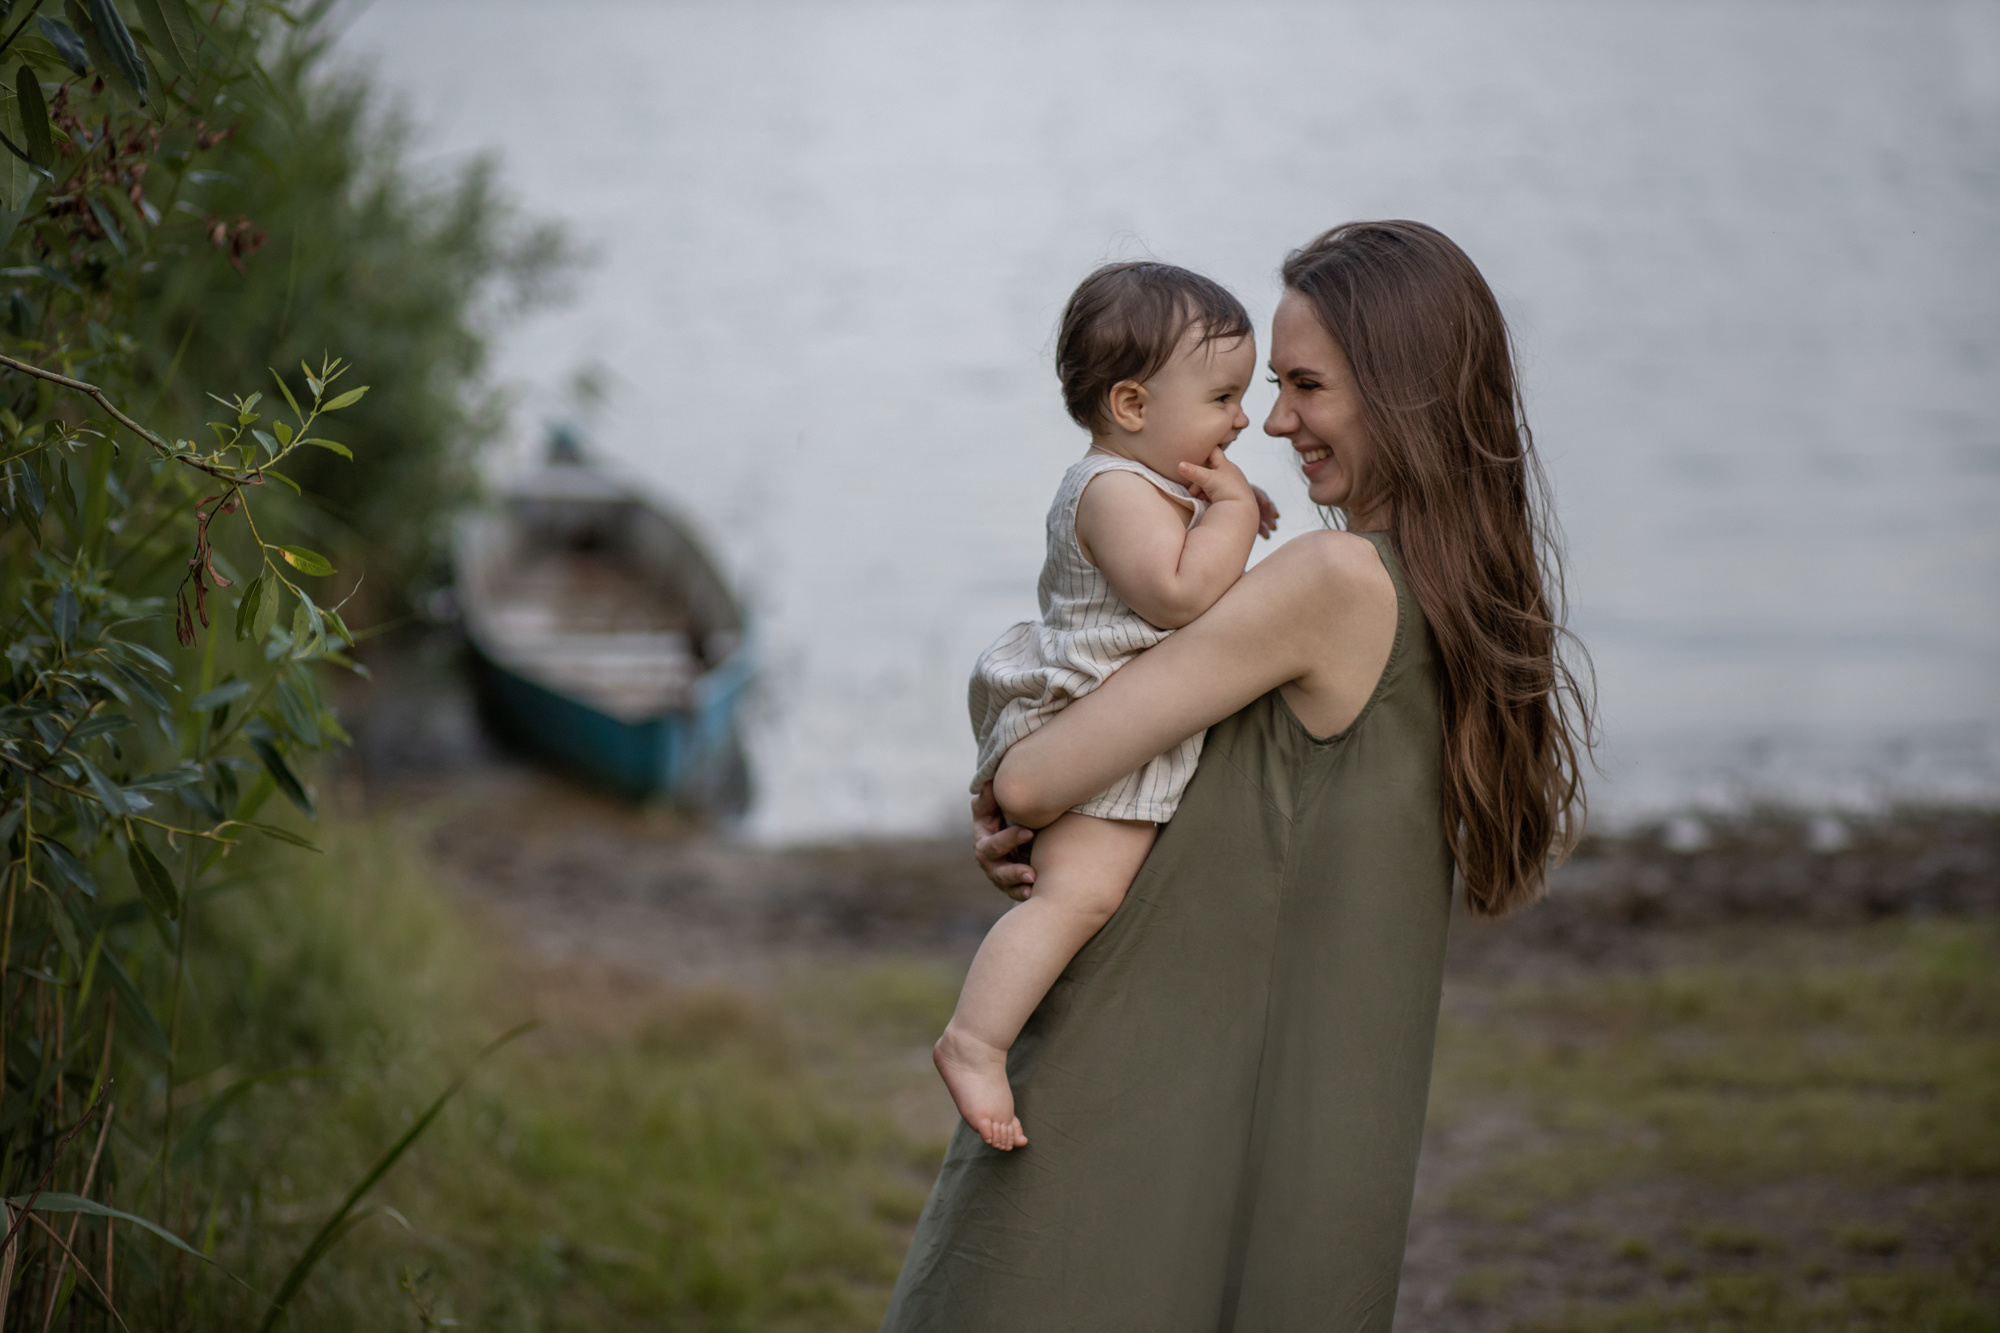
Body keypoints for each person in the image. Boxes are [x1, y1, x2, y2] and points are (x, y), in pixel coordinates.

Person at [880, 221, 1591, 1330]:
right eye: (1264, 386)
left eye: (1304, 386)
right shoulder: (1447, 600)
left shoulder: (1331, 580)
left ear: (1401, 395)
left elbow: (1032, 782)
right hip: (1309, 1099)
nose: (1271, 420)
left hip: (1148, 1080)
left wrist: (1019, 794)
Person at [937, 261, 1281, 1150]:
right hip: (1083, 721)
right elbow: (1178, 595)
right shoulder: (1112, 489)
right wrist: (1235, 514)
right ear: (1131, 406)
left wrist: (1221, 507)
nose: (1243, 419)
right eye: (1223, 396)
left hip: (1104, 727)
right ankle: (975, 1041)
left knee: (1099, 903)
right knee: (1078, 899)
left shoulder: (1149, 484)